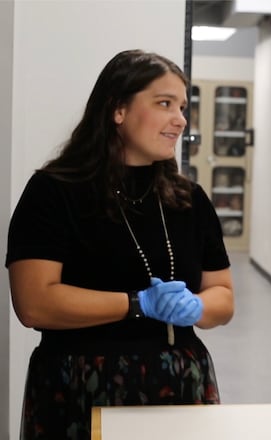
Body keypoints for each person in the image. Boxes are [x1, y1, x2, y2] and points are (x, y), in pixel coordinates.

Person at [5, 49, 235, 439]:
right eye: (164, 104)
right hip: (80, 386)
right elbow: (34, 304)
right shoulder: (54, 192)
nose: (179, 120)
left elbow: (223, 297)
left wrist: (196, 306)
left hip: (180, 385)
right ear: (117, 110)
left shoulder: (188, 200)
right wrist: (137, 304)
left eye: (182, 106)